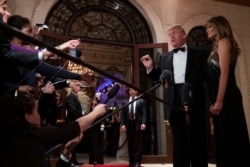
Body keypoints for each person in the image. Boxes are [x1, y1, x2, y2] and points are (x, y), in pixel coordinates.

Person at [140, 24, 208, 167]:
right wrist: (150, 68)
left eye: (174, 33)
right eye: (169, 34)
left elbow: (208, 78)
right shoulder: (165, 57)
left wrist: (215, 100)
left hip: (194, 99)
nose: (171, 36)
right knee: (179, 143)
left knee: (196, 141)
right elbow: (158, 77)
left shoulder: (200, 54)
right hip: (173, 101)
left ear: (184, 35)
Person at [0, 92, 107, 167]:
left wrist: (66, 151)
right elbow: (69, 130)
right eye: (37, 111)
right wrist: (95, 113)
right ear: (28, 116)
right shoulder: (32, 136)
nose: (39, 116)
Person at [206, 16, 250, 167]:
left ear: (219, 26)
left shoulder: (224, 41)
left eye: (210, 26)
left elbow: (224, 73)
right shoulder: (217, 45)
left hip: (228, 97)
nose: (207, 30)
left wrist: (219, 100)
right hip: (223, 96)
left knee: (229, 138)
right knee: (224, 138)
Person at [120, 88, 147, 167]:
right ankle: (131, 161)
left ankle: (138, 161)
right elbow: (123, 115)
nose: (132, 91)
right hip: (129, 124)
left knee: (138, 144)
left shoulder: (141, 101)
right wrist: (123, 124)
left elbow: (144, 113)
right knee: (130, 144)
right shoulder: (125, 102)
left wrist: (144, 123)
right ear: (129, 92)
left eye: (134, 90)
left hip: (138, 123)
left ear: (136, 91)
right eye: (130, 90)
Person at [65, 80, 85, 165]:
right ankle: (71, 162)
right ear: (72, 87)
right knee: (72, 143)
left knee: (74, 143)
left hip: (75, 122)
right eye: (78, 86)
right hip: (71, 122)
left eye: (80, 86)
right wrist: (82, 117)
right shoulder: (71, 97)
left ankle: (74, 161)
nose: (80, 88)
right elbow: (73, 111)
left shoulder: (75, 96)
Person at [88, 96, 104, 164]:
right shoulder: (91, 108)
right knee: (92, 143)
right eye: (93, 100)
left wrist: (103, 126)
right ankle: (92, 159)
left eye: (96, 100)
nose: (94, 101)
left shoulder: (100, 108)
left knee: (98, 143)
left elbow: (103, 117)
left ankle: (98, 159)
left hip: (99, 127)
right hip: (92, 127)